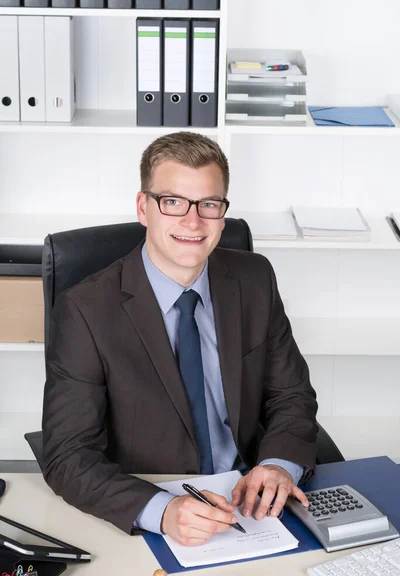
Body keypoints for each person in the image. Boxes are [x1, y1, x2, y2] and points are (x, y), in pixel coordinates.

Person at [42, 132, 318, 547]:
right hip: (153, 500)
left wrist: (279, 465)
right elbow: (67, 456)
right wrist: (162, 510)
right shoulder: (85, 310)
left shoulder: (254, 279)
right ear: (144, 208)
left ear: (222, 213)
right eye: (173, 202)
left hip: (251, 502)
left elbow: (291, 394)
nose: (193, 222)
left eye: (208, 204)